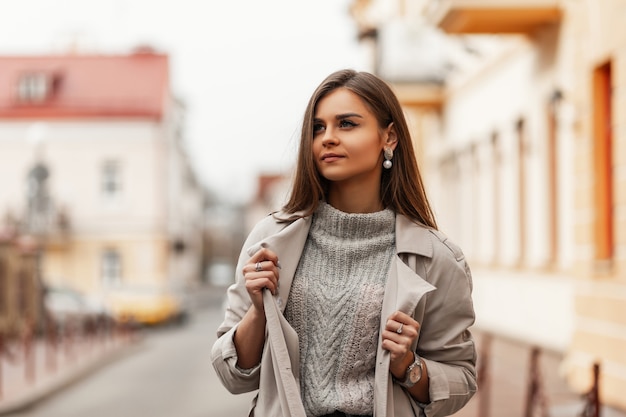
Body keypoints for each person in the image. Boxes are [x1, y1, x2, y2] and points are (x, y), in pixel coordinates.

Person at [211, 69, 477, 417]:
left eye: (347, 124)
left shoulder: (435, 257)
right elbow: (233, 374)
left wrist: (408, 366)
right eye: (318, 128)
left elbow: (462, 378)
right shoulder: (271, 240)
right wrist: (259, 312)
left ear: (390, 137)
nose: (328, 138)